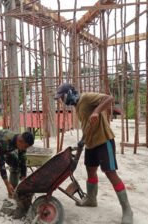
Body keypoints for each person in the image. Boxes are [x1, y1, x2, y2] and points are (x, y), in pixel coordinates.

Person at [54, 83, 133, 224]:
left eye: (62, 97)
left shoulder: (86, 97)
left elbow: (109, 99)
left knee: (110, 172)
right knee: (90, 170)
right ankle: (91, 199)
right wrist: (82, 141)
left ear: (70, 93)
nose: (62, 101)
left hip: (104, 140)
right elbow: (87, 125)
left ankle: (127, 210)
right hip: (90, 143)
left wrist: (97, 111)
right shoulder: (78, 106)